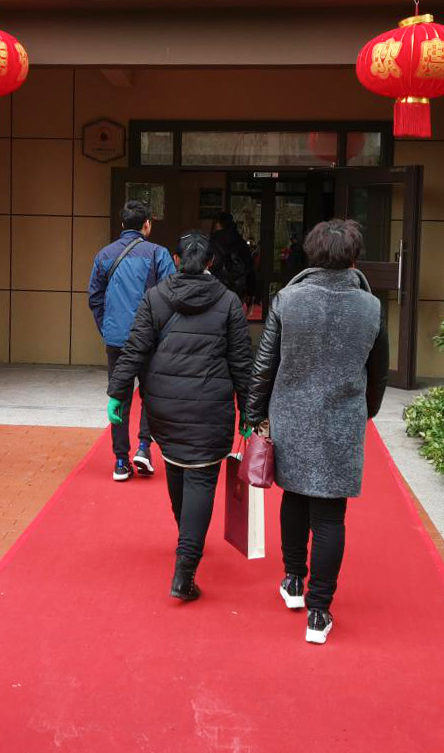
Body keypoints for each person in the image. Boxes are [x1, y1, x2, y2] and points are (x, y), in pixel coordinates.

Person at [245, 219, 388, 644]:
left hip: (291, 416)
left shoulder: (288, 299)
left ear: (310, 253)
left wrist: (254, 414)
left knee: (293, 497)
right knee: (330, 515)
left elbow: (265, 363)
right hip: (342, 419)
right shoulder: (370, 307)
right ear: (354, 257)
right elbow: (378, 371)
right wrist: (366, 411)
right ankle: (319, 611)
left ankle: (293, 579)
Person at [106, 231, 253, 601]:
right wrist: (249, 411)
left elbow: (135, 349)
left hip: (165, 406)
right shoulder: (228, 302)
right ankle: (184, 572)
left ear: (175, 260)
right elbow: (241, 362)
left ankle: (186, 536)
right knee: (201, 478)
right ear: (211, 263)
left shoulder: (155, 297)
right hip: (210, 407)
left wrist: (118, 394)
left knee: (175, 465)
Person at [88, 200, 177, 482]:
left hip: (117, 342)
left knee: (119, 397)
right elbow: (171, 296)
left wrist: (108, 329)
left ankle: (120, 461)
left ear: (123, 224)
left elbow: (94, 298)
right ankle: (143, 447)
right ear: (147, 224)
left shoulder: (104, 255)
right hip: (149, 340)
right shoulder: (158, 254)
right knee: (151, 395)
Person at [210, 211, 254, 299]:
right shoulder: (240, 241)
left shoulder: (213, 241)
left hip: (217, 287)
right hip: (238, 289)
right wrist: (251, 291)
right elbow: (249, 266)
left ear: (218, 224)